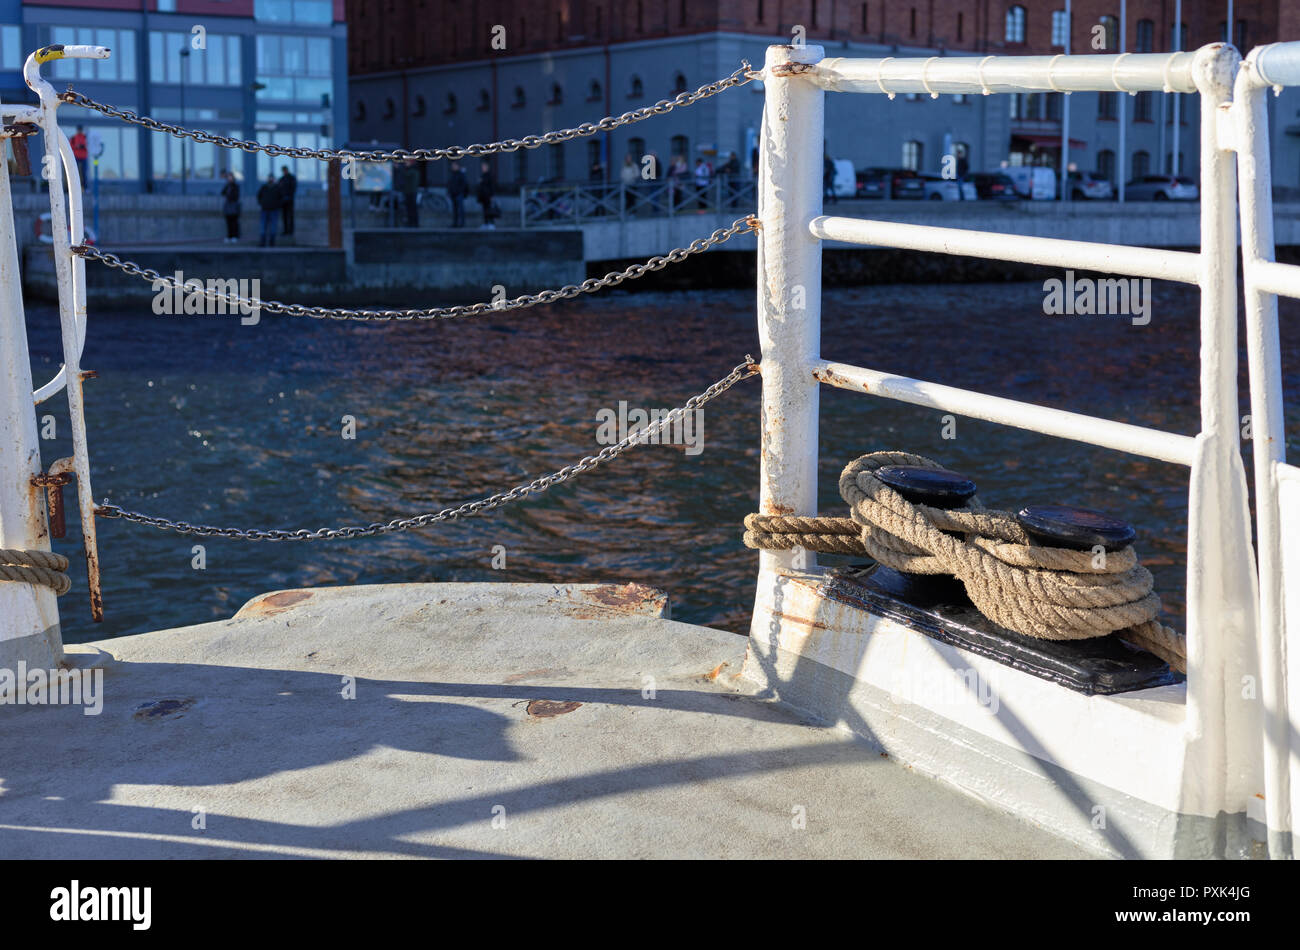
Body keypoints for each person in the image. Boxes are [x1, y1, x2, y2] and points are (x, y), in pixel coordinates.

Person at [256, 174, 282, 246]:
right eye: (269, 178)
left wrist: (278, 205)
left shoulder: (277, 188)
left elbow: (281, 197)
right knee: (263, 226)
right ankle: (262, 242)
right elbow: (258, 196)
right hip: (264, 209)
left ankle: (272, 242)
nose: (270, 179)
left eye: (272, 178)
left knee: (273, 226)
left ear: (273, 179)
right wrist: (261, 203)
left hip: (274, 210)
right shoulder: (264, 187)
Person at [395, 158, 420, 227]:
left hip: (411, 192)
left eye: (407, 162)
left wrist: (399, 168)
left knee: (412, 208)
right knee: (410, 208)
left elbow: (406, 175)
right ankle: (412, 222)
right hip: (409, 191)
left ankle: (413, 223)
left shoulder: (413, 170)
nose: (405, 163)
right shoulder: (412, 169)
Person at [446, 160, 468, 227]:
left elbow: (464, 184)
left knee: (460, 210)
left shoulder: (461, 174)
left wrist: (459, 192)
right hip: (453, 194)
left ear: (458, 166)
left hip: (459, 194)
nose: (453, 167)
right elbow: (450, 184)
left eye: (454, 166)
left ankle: (461, 223)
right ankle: (455, 223)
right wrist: (449, 192)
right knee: (455, 210)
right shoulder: (452, 174)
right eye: (452, 166)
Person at [220, 171, 241, 243]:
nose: (229, 178)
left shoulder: (235, 186)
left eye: (230, 177)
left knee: (234, 222)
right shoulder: (227, 186)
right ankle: (229, 236)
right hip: (228, 207)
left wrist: (230, 196)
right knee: (228, 222)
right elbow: (222, 192)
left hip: (233, 206)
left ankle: (235, 236)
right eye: (228, 177)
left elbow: (236, 196)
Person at [476, 160, 497, 229]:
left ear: (487, 167)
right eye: (482, 167)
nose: (483, 168)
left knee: (490, 210)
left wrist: (492, 196)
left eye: (484, 167)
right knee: (485, 210)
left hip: (488, 196)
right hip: (483, 196)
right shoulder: (482, 176)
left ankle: (491, 223)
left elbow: (492, 186)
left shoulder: (489, 176)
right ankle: (486, 223)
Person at [278, 165, 297, 237]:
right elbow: (279, 189)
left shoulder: (291, 178)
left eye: (285, 170)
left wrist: (289, 196)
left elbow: (293, 188)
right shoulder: (282, 179)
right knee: (284, 216)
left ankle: (291, 231)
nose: (284, 172)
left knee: (290, 216)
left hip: (290, 200)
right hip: (283, 201)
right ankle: (286, 231)